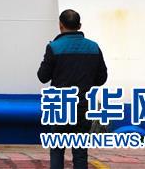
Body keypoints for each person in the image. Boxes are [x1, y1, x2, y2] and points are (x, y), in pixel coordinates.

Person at [37, 9, 107, 169]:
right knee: (80, 151)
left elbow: (42, 76)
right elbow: (102, 78)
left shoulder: (54, 47)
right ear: (79, 25)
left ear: (60, 25)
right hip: (84, 106)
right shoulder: (94, 47)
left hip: (60, 106)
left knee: (57, 149)